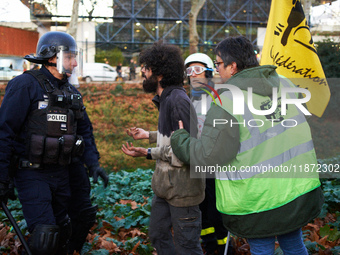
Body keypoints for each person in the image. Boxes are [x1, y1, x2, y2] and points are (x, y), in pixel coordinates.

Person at [171, 36, 324, 255]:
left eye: (219, 64)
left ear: (232, 66)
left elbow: (208, 155)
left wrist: (180, 139)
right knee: (294, 245)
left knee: (262, 249)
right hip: (296, 190)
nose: (217, 70)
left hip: (258, 200)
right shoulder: (284, 83)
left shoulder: (227, 100)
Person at [0, 31, 109, 255]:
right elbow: (5, 132)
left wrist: (94, 163)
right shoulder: (24, 86)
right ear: (52, 57)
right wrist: (2, 177)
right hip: (32, 173)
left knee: (75, 223)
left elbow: (84, 132)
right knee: (46, 235)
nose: (75, 62)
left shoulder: (71, 92)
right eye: (70, 56)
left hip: (64, 172)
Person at [121, 41, 205, 255]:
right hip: (165, 190)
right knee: (158, 234)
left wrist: (148, 152)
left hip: (183, 192)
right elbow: (175, 138)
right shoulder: (166, 99)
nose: (142, 71)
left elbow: (187, 150)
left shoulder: (178, 101)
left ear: (159, 74)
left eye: (146, 68)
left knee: (187, 248)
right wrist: (148, 136)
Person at [184, 53, 231, 255]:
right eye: (189, 71)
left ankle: (224, 247)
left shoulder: (218, 97)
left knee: (215, 206)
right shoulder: (187, 100)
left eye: (198, 70)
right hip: (196, 161)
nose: (193, 75)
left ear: (209, 72)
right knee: (200, 206)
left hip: (215, 162)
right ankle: (209, 243)